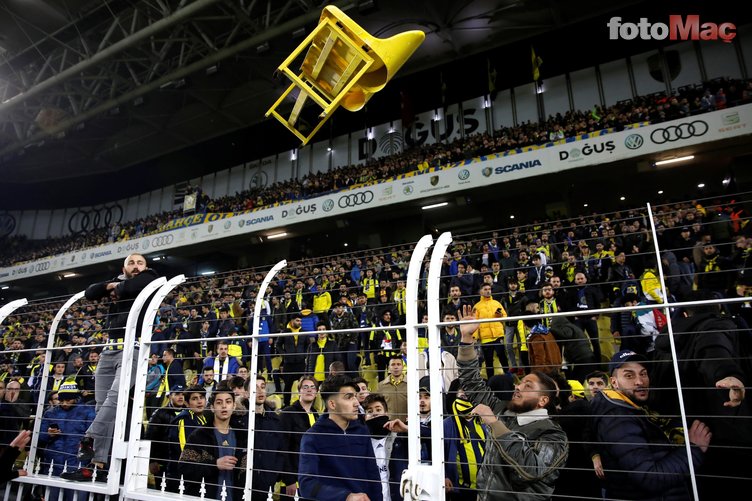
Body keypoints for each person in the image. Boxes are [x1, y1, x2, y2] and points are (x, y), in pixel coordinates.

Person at [63, 253, 159, 482]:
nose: (136, 267)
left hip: (133, 348)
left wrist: (118, 287)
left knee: (115, 399)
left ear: (146, 267)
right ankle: (93, 467)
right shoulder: (118, 281)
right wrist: (112, 284)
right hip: (108, 351)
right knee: (100, 405)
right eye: (131, 263)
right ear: (123, 267)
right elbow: (90, 292)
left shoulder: (151, 277)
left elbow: (133, 287)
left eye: (140, 263)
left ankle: (88, 438)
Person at [455, 306, 568, 500]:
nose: (518, 387)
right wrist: (466, 339)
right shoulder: (503, 410)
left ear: (543, 400)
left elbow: (530, 470)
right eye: (520, 382)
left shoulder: (553, 435)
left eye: (528, 386)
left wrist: (495, 423)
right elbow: (472, 382)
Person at [590, 349, 712, 500]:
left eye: (643, 373)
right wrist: (694, 449)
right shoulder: (618, 419)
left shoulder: (630, 408)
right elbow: (650, 478)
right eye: (629, 375)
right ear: (614, 382)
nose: (640, 381)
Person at [298, 374, 382, 500]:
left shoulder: (362, 430)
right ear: (332, 404)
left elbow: (373, 475)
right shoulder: (313, 437)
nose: (356, 403)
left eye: (355, 396)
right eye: (348, 397)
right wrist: (345, 497)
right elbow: (307, 485)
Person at [179, 382, 247, 500]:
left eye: (228, 402)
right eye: (219, 403)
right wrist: (215, 465)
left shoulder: (242, 435)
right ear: (212, 407)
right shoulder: (199, 435)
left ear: (234, 406)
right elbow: (185, 468)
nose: (224, 406)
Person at [38, 382, 95, 498]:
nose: (64, 403)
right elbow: (40, 438)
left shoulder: (88, 412)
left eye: (68, 400)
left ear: (75, 397)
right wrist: (49, 434)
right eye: (61, 400)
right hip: (53, 464)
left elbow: (94, 438)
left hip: (77, 465)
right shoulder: (50, 413)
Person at [363, 393, 409, 501]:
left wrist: (407, 429)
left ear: (386, 413)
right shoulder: (362, 443)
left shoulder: (400, 439)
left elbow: (430, 437)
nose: (374, 414)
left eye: (378, 410)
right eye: (369, 411)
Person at [279, 376, 320, 497]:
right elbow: (282, 448)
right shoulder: (288, 413)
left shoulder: (317, 415)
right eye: (305, 387)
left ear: (317, 393)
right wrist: (289, 480)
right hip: (293, 479)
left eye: (313, 387)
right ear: (299, 391)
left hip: (313, 478)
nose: (309, 390)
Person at [144, 384, 186, 485]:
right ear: (170, 396)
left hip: (182, 462)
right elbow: (150, 437)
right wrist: (152, 460)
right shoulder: (159, 413)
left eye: (183, 394)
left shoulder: (188, 413)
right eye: (177, 394)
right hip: (163, 463)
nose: (180, 397)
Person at [473, 283, 508, 379]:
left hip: (497, 335)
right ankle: (490, 381)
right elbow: (475, 323)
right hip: (486, 338)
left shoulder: (497, 303)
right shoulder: (477, 306)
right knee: (488, 361)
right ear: (480, 291)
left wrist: (499, 316)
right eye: (485, 289)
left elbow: (505, 317)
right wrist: (475, 337)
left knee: (502, 357)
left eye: (489, 289)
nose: (488, 291)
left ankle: (509, 376)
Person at [376, 355, 408, 421]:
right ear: (389, 368)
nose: (396, 367)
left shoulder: (411, 384)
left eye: (398, 364)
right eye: (393, 364)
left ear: (402, 367)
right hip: (389, 424)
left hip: (408, 424)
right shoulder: (381, 386)